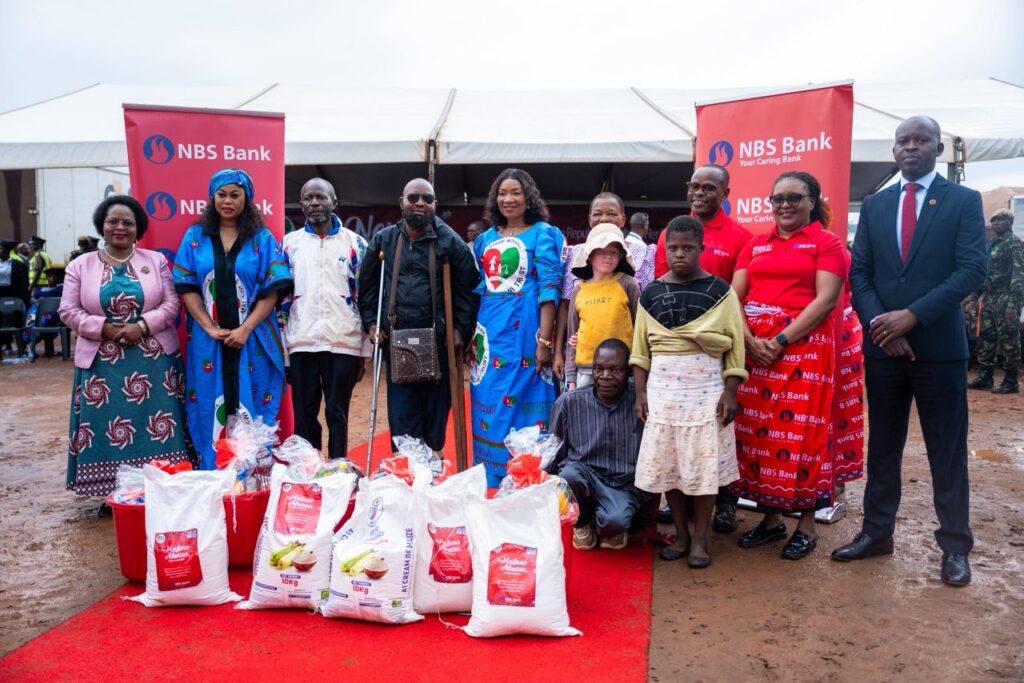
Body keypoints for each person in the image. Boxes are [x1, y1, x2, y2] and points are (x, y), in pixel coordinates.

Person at [836, 116, 987, 587]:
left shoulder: (962, 201)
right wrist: (883, 325)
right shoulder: (877, 204)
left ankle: (955, 547)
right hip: (884, 350)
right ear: (893, 150)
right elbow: (859, 274)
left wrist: (912, 316)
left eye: (921, 140)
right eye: (903, 140)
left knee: (947, 451)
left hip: (938, 350)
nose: (910, 147)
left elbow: (970, 270)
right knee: (883, 446)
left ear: (938, 148)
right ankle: (877, 533)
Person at [728, 171, 847, 561]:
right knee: (761, 437)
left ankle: (807, 526)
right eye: (777, 198)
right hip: (755, 353)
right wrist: (748, 340)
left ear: (812, 201)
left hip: (804, 353)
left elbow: (826, 301)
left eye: (793, 198)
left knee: (802, 438)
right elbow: (734, 297)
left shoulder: (826, 243)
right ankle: (771, 520)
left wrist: (780, 341)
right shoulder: (756, 244)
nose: (784, 205)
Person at [59, 195, 191, 505]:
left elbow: (172, 304)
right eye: (113, 221)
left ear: (138, 228)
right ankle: (113, 494)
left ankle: (161, 486)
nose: (120, 227)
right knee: (106, 426)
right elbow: (67, 310)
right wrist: (101, 328)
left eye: (128, 222)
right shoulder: (81, 264)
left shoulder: (155, 261)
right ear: (102, 226)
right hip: (101, 364)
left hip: (153, 359)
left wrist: (141, 326)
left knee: (159, 423)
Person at [632, 216, 747, 567]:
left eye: (688, 248)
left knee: (703, 466)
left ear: (701, 249)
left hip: (706, 392)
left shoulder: (721, 291)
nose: (680, 254)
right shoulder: (651, 293)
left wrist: (730, 392)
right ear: (665, 250)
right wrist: (640, 394)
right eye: (674, 248)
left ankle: (700, 540)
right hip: (663, 391)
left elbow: (735, 349)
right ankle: (680, 536)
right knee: (670, 466)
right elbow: (640, 351)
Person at [653, 164, 754, 533]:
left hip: (718, 347)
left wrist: (712, 325)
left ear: (725, 192)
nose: (699, 193)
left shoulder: (741, 236)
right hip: (677, 352)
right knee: (679, 430)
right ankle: (679, 496)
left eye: (709, 187)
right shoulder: (671, 231)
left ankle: (725, 502)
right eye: (694, 186)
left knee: (721, 428)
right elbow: (662, 288)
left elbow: (738, 293)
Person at [173, 168, 293, 470]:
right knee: (207, 404)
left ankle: (252, 474)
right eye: (221, 194)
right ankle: (213, 472)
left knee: (253, 399)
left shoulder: (262, 239)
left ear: (247, 199)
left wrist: (244, 328)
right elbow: (187, 287)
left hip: (253, 340)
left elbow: (272, 290)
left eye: (235, 195)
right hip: (207, 343)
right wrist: (208, 327)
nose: (227, 201)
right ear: (212, 198)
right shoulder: (195, 237)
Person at [358, 178, 480, 457]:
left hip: (438, 342)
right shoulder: (384, 240)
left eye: (427, 198)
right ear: (402, 201)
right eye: (413, 197)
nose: (420, 203)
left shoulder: (450, 240)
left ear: (435, 204)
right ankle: (406, 470)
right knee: (402, 412)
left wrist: (461, 330)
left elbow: (470, 289)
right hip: (397, 340)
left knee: (435, 416)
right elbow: (366, 289)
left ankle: (432, 465)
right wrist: (372, 324)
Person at [470, 168, 564, 487]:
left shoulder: (543, 234)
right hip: (489, 332)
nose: (508, 199)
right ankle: (493, 474)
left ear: (528, 198)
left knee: (529, 398)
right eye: (502, 193)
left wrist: (544, 340)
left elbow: (550, 287)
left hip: (527, 330)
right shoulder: (484, 240)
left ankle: (528, 474)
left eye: (515, 192)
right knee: (491, 398)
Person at [284, 178, 369, 458]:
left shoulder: (356, 244)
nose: (314, 203)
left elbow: (365, 297)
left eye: (321, 197)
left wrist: (363, 350)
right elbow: (281, 302)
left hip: (343, 343)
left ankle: (338, 468)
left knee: (337, 411)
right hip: (301, 342)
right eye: (308, 198)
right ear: (301, 205)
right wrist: (285, 350)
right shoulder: (289, 245)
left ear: (335, 202)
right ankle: (308, 469)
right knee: (305, 414)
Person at [550, 338, 649, 551]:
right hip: (583, 474)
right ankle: (582, 522)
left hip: (622, 483)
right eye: (598, 369)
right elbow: (554, 451)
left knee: (616, 522)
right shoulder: (569, 403)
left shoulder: (640, 403)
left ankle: (609, 525)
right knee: (567, 476)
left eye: (615, 370)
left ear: (629, 372)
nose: (605, 377)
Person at [553, 192, 655, 384]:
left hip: (624, 362)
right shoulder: (576, 255)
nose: (604, 218)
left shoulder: (644, 254)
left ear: (623, 218)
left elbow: (642, 318)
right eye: (598, 213)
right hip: (585, 360)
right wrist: (560, 353)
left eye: (612, 213)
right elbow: (567, 310)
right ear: (589, 218)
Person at [564, 223, 639, 389]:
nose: (608, 257)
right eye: (602, 252)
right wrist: (570, 377)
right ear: (590, 256)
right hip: (585, 369)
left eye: (613, 252)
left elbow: (640, 328)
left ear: (621, 256)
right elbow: (572, 335)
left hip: (622, 369)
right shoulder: (579, 290)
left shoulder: (628, 284)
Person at [967, 209, 1023, 394]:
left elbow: (1018, 275)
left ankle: (1010, 380)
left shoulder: (1014, 244)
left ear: (1009, 222)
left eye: (1000, 220)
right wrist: (974, 297)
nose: (996, 223)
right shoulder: (991, 244)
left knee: (1009, 339)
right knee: (986, 337)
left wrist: (1014, 304)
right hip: (990, 298)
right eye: (993, 220)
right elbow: (984, 274)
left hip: (1006, 297)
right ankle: (985, 376)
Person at [0, 239, 30, 356]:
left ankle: (21, 345)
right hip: (0, 294)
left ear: (8, 250)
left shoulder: (18, 265)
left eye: (1, 248)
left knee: (15, 319)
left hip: (14, 295)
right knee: (2, 320)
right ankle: (5, 344)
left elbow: (23, 283)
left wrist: (22, 299)